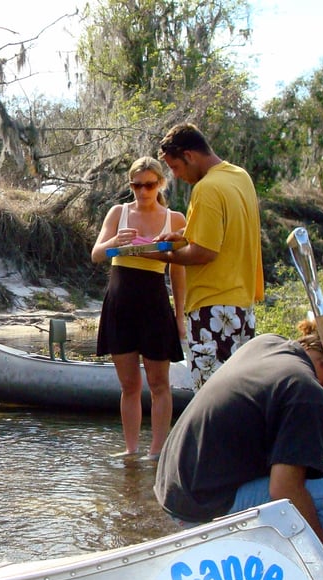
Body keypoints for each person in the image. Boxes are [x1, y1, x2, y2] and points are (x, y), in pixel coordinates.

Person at [154, 318, 323, 580]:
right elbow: (285, 490)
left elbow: (288, 407)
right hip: (200, 506)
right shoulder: (307, 391)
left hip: (174, 489)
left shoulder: (269, 345)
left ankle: (256, 549)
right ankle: (272, 565)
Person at [150, 123, 264, 389]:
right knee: (239, 395)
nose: (176, 176)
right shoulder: (240, 177)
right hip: (242, 308)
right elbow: (225, 233)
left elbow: (204, 252)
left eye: (175, 167)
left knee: (210, 397)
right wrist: (184, 238)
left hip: (213, 309)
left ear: (189, 155)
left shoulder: (207, 188)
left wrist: (163, 256)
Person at [90, 156, 187, 459]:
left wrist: (180, 315)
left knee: (159, 383)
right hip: (121, 301)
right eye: (136, 185)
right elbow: (96, 255)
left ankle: (157, 450)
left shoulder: (175, 218)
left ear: (160, 184)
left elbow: (179, 269)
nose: (142, 191)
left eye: (149, 185)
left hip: (155, 302)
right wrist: (115, 241)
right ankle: (131, 449)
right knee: (129, 384)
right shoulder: (118, 213)